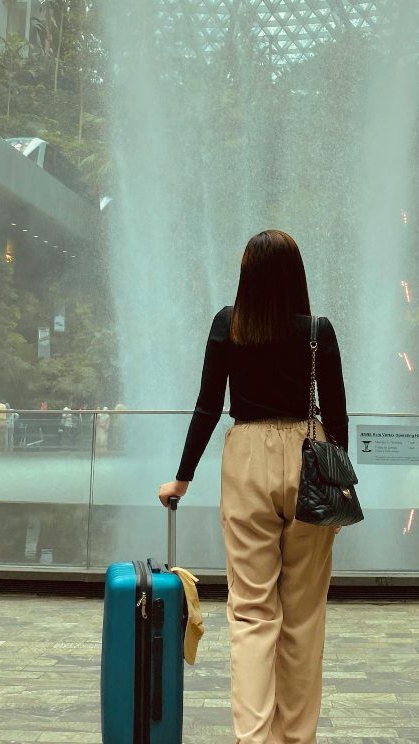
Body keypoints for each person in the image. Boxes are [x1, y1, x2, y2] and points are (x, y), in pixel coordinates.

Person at [158, 230, 348, 744]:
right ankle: (296, 737)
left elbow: (207, 406)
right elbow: (336, 413)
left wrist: (183, 475)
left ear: (248, 275)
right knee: (303, 615)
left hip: (245, 460)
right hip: (309, 462)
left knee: (252, 610)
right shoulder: (318, 331)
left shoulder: (229, 324)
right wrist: (337, 483)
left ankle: (253, 738)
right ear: (296, 274)